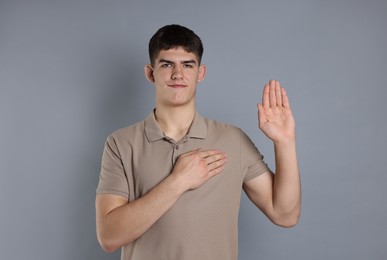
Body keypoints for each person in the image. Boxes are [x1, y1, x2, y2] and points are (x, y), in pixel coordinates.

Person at [95, 24, 301, 260]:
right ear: (150, 73)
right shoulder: (121, 143)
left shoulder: (233, 140)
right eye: (166, 64)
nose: (177, 74)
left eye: (187, 65)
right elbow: (108, 236)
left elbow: (285, 215)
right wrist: (178, 181)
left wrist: (285, 143)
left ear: (200, 73)